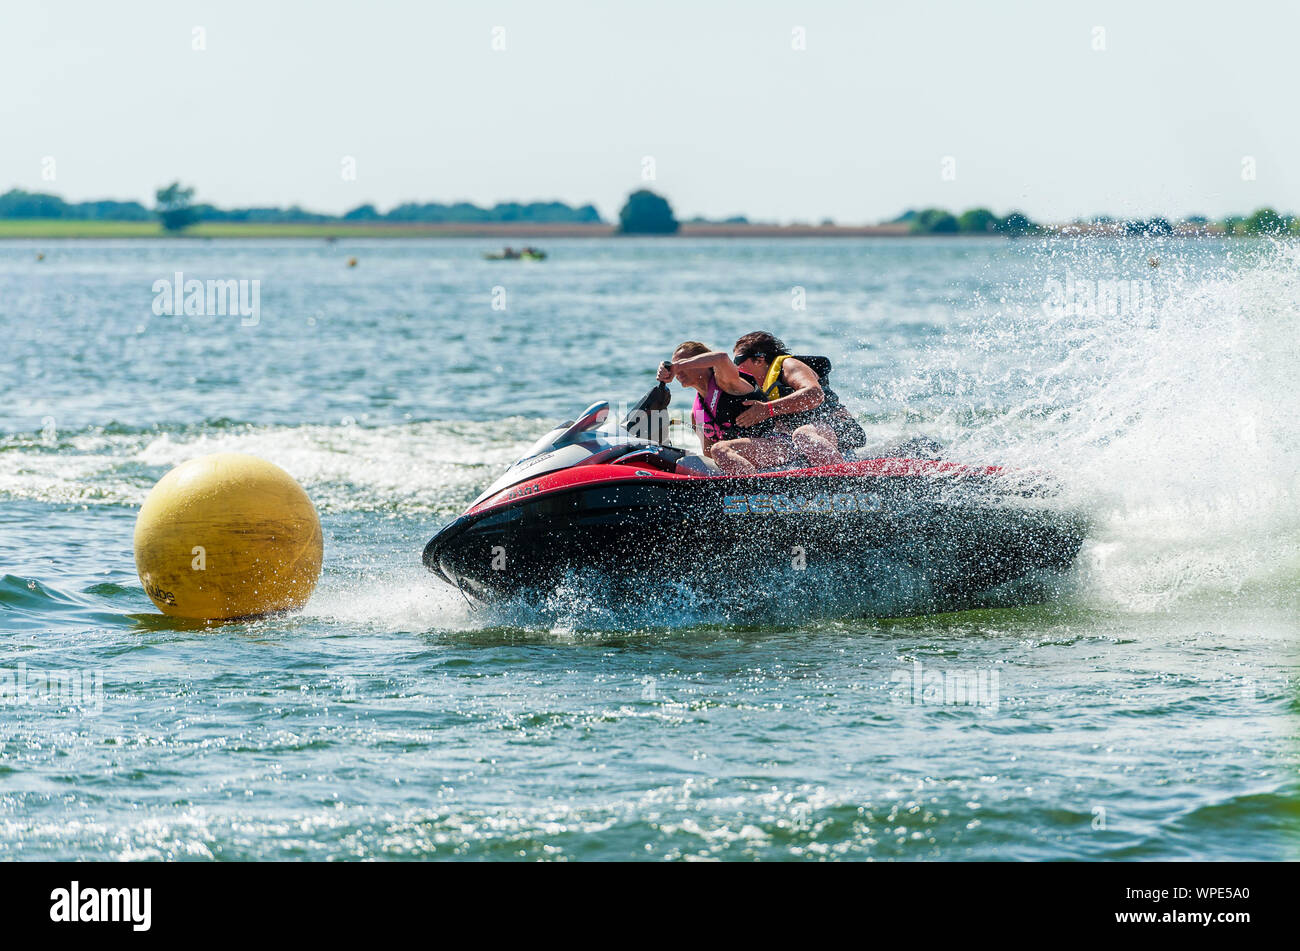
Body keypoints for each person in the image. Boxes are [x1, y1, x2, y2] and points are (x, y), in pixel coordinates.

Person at [723, 331, 864, 467]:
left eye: (738, 360)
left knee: (802, 435)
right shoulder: (756, 387)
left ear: (759, 359)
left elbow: (815, 394)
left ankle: (845, 481)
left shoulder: (789, 365)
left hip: (840, 428)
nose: (735, 367)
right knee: (726, 449)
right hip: (803, 439)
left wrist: (768, 409)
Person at [657, 341, 794, 473]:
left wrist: (679, 365)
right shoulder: (697, 413)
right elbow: (709, 456)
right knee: (691, 461)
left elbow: (721, 358)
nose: (677, 370)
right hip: (750, 458)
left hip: (779, 446)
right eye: (675, 365)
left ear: (704, 363)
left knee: (719, 449)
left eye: (683, 363)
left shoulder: (726, 382)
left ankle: (755, 490)